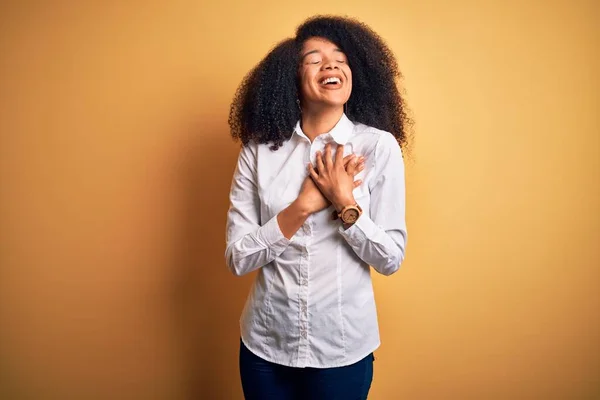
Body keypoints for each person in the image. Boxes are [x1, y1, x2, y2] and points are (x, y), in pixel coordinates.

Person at [225, 15, 411, 400]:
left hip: (341, 350)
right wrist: (303, 206)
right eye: (314, 59)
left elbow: (390, 258)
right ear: (291, 79)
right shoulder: (259, 152)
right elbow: (238, 258)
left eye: (340, 58)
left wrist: (346, 205)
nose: (331, 64)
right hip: (265, 347)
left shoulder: (378, 148)